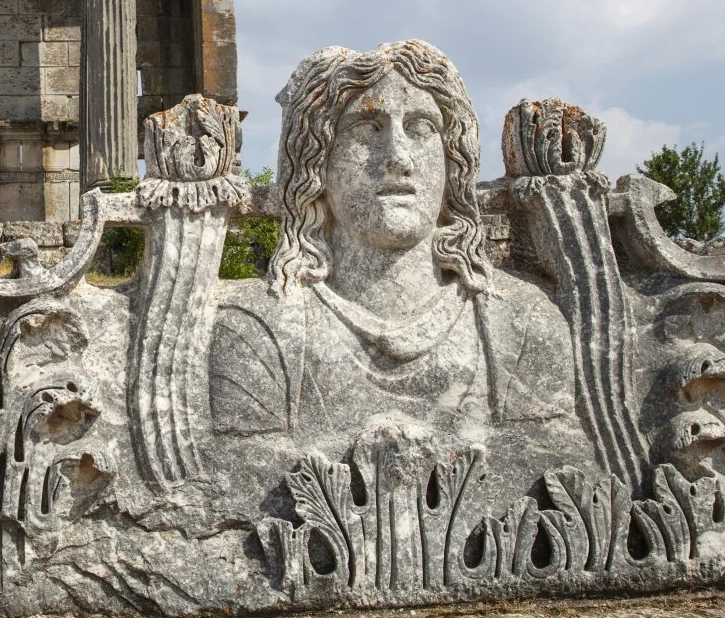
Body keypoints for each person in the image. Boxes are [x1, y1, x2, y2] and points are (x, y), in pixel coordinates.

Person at [208, 41, 581, 466]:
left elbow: (556, 472)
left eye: (421, 127)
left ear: (452, 159)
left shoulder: (522, 323)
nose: (398, 158)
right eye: (366, 129)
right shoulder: (259, 329)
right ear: (315, 162)